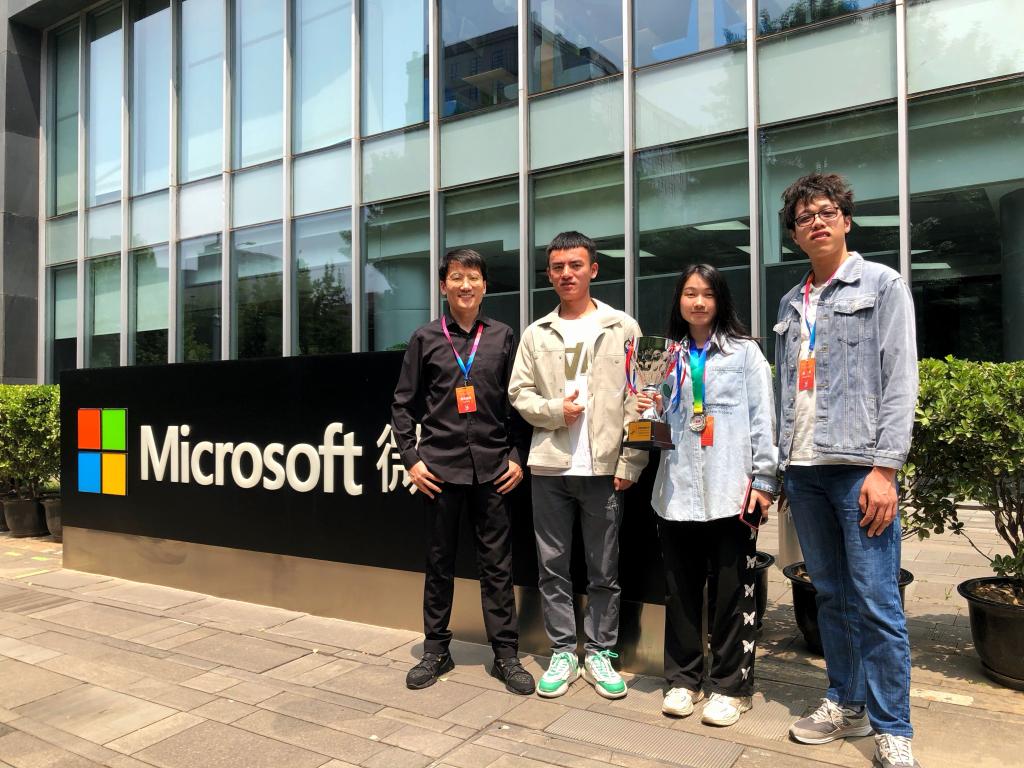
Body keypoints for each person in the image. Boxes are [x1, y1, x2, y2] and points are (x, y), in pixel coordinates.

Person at [774, 174, 920, 768]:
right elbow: (789, 389)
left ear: (846, 220)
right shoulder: (791, 302)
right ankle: (845, 700)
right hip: (804, 470)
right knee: (830, 595)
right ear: (794, 234)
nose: (817, 222)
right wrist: (781, 466)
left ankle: (893, 726)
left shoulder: (882, 285)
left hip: (859, 469)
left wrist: (886, 468)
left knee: (877, 601)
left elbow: (900, 379)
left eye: (826, 211)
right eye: (804, 216)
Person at [635, 265, 778, 727]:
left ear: (721, 301)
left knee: (732, 593)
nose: (698, 302)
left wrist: (765, 480)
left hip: (731, 491)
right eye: (690, 293)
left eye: (708, 294)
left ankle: (731, 688)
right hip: (676, 492)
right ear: (679, 300)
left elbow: (763, 420)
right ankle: (683, 679)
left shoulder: (744, 353)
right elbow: (656, 429)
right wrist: (648, 408)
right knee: (680, 592)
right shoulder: (666, 356)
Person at [508, 231, 647, 699]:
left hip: (604, 468)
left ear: (593, 269)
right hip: (550, 467)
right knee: (552, 566)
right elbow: (518, 392)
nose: (566, 274)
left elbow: (639, 398)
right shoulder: (537, 332)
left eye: (575, 265)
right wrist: (554, 411)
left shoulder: (621, 327)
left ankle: (601, 652)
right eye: (558, 267)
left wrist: (631, 459)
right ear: (549, 274)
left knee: (604, 568)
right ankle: (564, 651)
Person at [391, 248, 535, 696]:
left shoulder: (503, 336)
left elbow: (519, 402)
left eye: (473, 277)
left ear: (485, 286)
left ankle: (506, 655)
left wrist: (518, 455)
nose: (465, 285)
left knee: (497, 566)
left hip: (494, 470)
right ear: (444, 286)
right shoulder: (425, 338)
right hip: (440, 470)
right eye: (456, 277)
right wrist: (412, 459)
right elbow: (402, 404)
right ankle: (436, 650)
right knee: (439, 563)